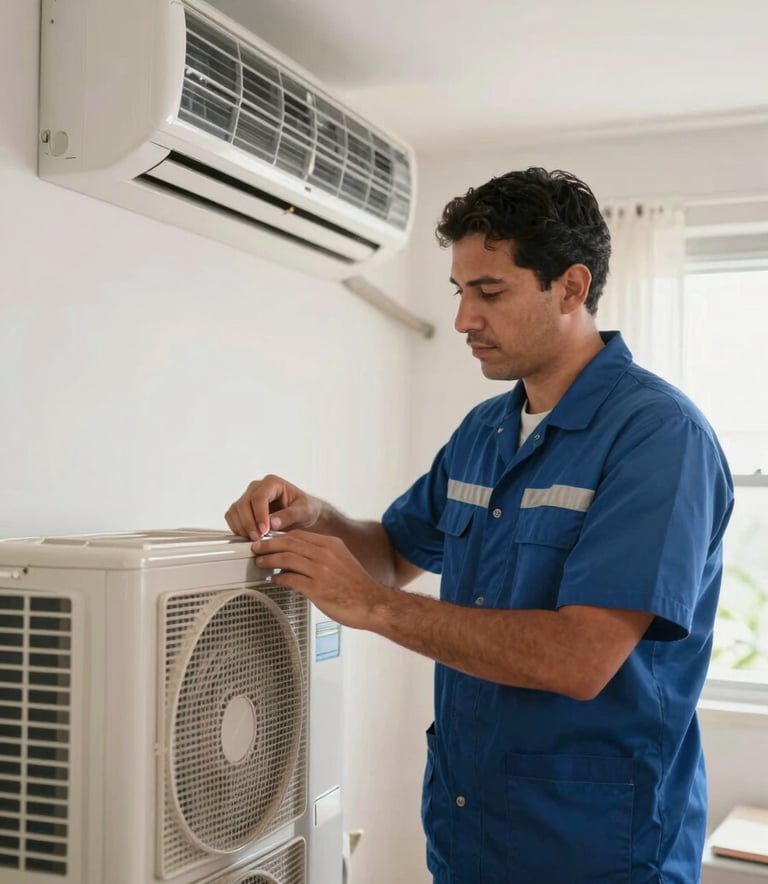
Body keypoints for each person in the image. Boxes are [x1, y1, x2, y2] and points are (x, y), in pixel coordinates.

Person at [225, 167, 733, 884]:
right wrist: (320, 519)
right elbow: (395, 552)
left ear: (571, 287)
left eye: (489, 292)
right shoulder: (485, 431)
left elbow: (578, 659)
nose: (465, 319)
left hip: (595, 854)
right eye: (461, 292)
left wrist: (371, 608)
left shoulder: (659, 438)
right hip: (470, 832)